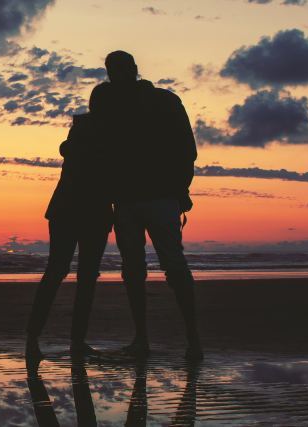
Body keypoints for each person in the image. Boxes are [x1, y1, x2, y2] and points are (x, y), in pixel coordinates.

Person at [89, 50, 201, 360]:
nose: (115, 75)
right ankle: (152, 339)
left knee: (165, 266)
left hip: (154, 197)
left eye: (118, 69)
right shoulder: (111, 101)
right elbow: (186, 149)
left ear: (133, 69)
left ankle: (186, 339)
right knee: (142, 269)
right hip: (132, 199)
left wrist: (180, 188)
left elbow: (186, 149)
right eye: (112, 70)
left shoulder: (161, 101)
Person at [24, 113, 114, 361]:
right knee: (76, 274)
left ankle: (42, 339)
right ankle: (62, 340)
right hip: (85, 212)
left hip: (72, 210)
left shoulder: (82, 134)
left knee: (62, 272)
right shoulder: (102, 136)